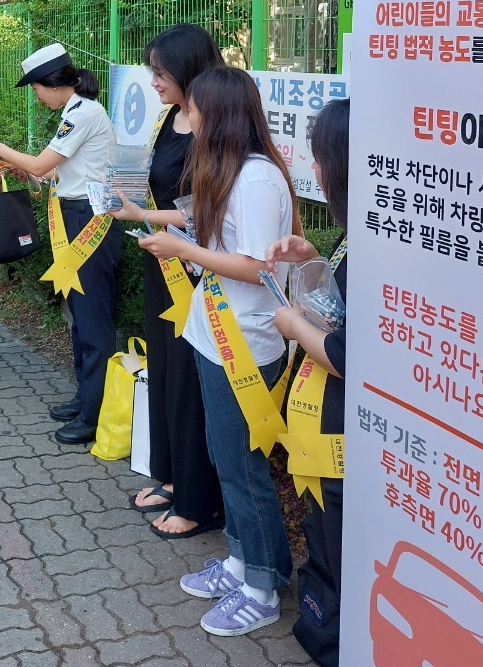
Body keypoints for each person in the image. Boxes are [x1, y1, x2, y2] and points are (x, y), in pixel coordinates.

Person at [135, 66, 296, 637]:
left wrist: (184, 250)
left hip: (244, 344)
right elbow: (206, 229)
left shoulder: (256, 179)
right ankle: (240, 560)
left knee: (242, 467)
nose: (188, 117)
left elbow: (256, 268)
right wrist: (165, 231)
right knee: (225, 457)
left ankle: (262, 586)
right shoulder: (230, 169)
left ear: (219, 114)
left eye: (195, 108)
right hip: (216, 334)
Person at [106, 24, 225, 539]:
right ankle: (173, 478)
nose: (153, 81)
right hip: (162, 261)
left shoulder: (212, 126)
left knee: (190, 382)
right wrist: (131, 203)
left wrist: (150, 218)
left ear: (188, 70)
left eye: (160, 72)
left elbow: (208, 209)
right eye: (151, 72)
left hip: (195, 270)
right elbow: (163, 191)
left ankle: (200, 501)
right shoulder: (170, 117)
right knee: (167, 373)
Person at [0, 43, 120, 445]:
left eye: (35, 88)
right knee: (79, 313)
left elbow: (44, 163)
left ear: (52, 83)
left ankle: (95, 413)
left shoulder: (84, 113)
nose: (35, 96)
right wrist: (24, 171)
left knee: (93, 319)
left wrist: (1, 151)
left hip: (89, 220)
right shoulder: (73, 113)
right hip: (74, 216)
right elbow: (56, 173)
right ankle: (85, 397)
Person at [266, 98, 350, 667]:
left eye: (318, 158)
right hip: (326, 426)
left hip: (343, 431)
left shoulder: (380, 243)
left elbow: (348, 354)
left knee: (337, 535)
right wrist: (314, 259)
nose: (312, 169)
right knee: (322, 529)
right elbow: (341, 310)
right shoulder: (361, 231)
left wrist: (294, 326)